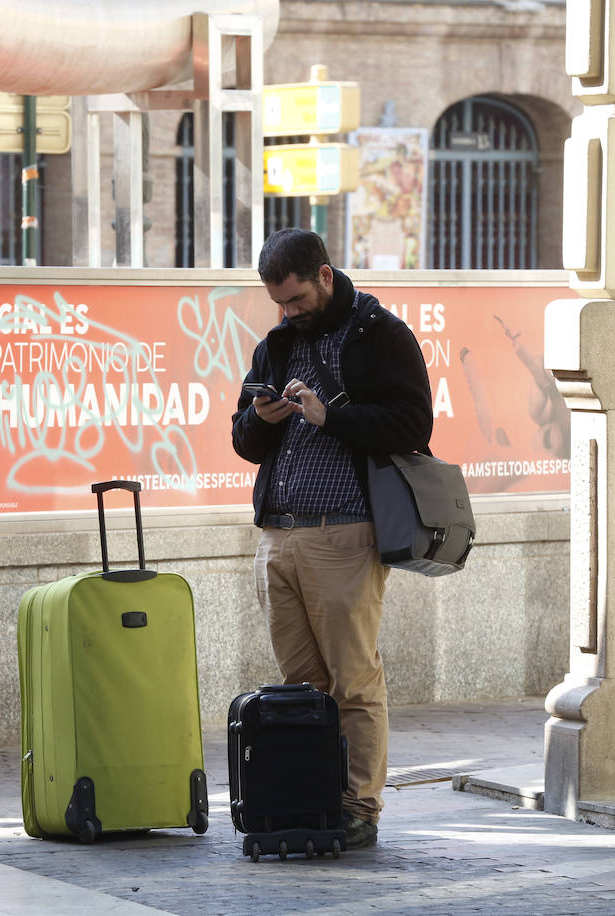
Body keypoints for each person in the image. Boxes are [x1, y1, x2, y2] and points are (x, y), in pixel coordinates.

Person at [231, 228, 433, 848]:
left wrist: (330, 415)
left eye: (295, 299)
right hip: (279, 535)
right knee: (302, 688)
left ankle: (359, 806)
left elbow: (413, 423)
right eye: (279, 304)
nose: (288, 312)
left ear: (323, 276)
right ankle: (314, 797)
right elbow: (242, 441)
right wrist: (260, 421)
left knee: (353, 680)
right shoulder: (277, 344)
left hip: (345, 533)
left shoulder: (379, 334)